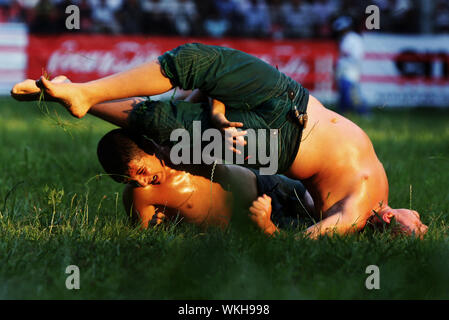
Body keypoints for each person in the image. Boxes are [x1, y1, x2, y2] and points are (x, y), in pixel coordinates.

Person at [11, 43, 428, 238]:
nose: (421, 222)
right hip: (292, 97)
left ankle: (76, 96)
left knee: (169, 125)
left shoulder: (354, 214)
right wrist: (217, 108)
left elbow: (303, 245)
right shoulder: (381, 192)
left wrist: (267, 227)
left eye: (418, 228)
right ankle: (87, 91)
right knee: (196, 60)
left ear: (389, 226)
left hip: (280, 143)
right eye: (423, 223)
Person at [97, 128, 314, 235]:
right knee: (314, 229)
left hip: (266, 184)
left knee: (320, 204)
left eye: (141, 171)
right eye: (129, 180)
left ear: (150, 148)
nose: (141, 183)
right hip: (250, 221)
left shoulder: (181, 147)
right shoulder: (142, 195)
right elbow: (145, 239)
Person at [333, 16, 368, 115]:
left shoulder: (354, 39)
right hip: (344, 69)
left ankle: (364, 112)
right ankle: (343, 113)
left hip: (351, 69)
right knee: (344, 93)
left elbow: (357, 56)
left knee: (352, 93)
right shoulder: (345, 39)